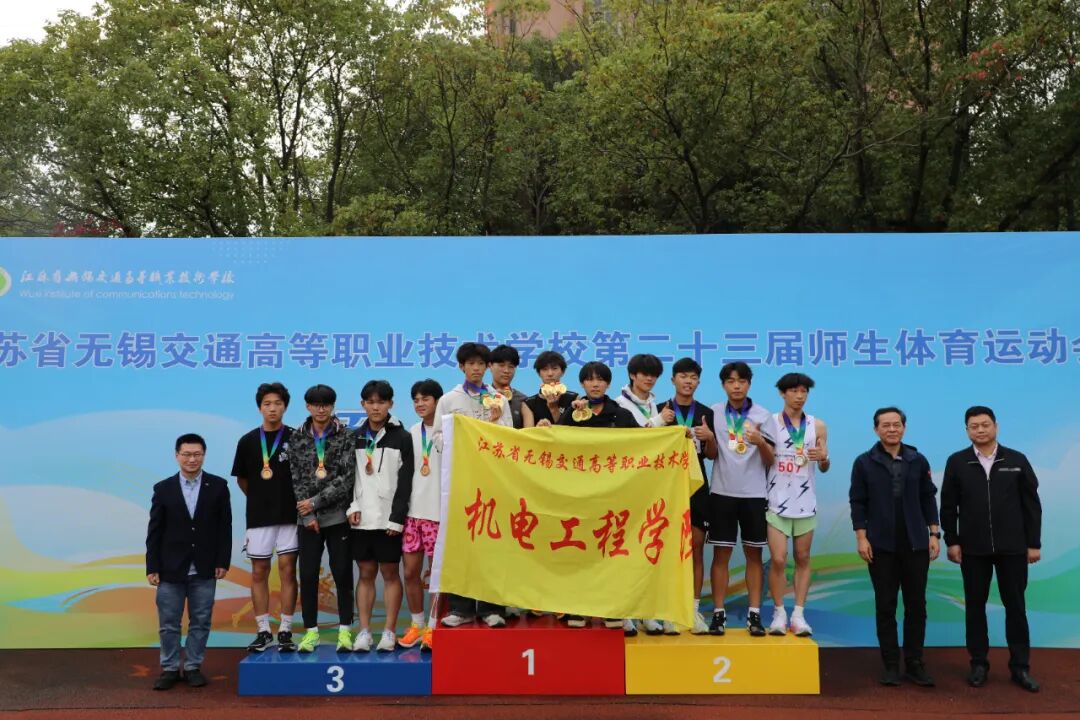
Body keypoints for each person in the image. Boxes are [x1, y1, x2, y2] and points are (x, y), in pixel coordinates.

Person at [940, 406, 1042, 693]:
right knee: (974, 607)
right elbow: (948, 505)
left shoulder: (1016, 460)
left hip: (1013, 548)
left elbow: (1032, 505)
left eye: (985, 424)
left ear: (995, 426)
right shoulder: (957, 462)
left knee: (1016, 607)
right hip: (973, 549)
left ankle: (1020, 667)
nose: (980, 430)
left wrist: (1033, 543)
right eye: (974, 426)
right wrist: (952, 541)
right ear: (967, 430)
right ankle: (978, 664)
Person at [849, 407, 939, 687]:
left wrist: (934, 533)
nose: (892, 429)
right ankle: (890, 665)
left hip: (915, 544)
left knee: (916, 606)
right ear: (876, 429)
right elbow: (858, 502)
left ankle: (914, 663)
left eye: (896, 424)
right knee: (885, 605)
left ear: (904, 428)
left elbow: (928, 498)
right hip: (880, 545)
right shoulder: (864, 462)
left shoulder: (917, 460)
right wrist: (861, 537)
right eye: (886, 425)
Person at [551, 360, 637, 634]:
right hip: (579, 495)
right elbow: (556, 443)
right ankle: (578, 607)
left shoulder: (621, 415)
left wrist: (676, 435)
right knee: (579, 553)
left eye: (600, 379)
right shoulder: (572, 412)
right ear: (582, 384)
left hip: (613, 495)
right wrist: (561, 417)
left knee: (610, 554)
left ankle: (612, 609)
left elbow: (644, 444)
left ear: (608, 384)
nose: (595, 384)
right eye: (589, 379)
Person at [434, 342, 513, 628]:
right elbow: (437, 439)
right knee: (461, 546)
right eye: (471, 364)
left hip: (491, 482)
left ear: (487, 367)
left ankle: (492, 608)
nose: (476, 369)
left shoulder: (498, 399)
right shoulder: (448, 400)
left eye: (481, 364)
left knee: (492, 544)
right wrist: (459, 434)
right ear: (461, 367)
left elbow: (510, 439)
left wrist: (495, 422)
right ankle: (461, 608)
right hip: (461, 482)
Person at [145, 434, 232, 690]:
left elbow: (224, 527)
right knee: (169, 623)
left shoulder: (218, 486)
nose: (192, 459)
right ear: (177, 456)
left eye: (197, 454)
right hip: (170, 568)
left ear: (203, 455)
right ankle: (170, 668)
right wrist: (152, 566)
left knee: (201, 620)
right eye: (186, 454)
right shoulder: (163, 489)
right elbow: (154, 531)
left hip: (205, 567)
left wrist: (222, 560)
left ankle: (193, 666)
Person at [704, 361, 774, 637]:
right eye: (731, 381)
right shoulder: (713, 412)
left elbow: (770, 460)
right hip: (721, 493)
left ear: (749, 384)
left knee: (754, 554)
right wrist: (710, 438)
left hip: (754, 495)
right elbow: (711, 455)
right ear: (723, 385)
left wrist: (761, 442)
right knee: (721, 554)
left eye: (741, 381)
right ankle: (718, 614)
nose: (736, 386)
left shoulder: (763, 415)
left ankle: (754, 614)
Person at [289, 384, 357, 653]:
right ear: (307, 406)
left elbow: (346, 477)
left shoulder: (346, 435)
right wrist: (307, 514)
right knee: (307, 575)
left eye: (326, 404)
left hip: (337, 516)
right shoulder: (297, 437)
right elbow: (296, 478)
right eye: (316, 404)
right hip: (308, 520)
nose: (321, 409)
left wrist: (316, 502)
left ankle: (345, 631)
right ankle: (311, 633)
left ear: (333, 406)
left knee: (342, 573)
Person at [231, 382, 299, 653]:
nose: (273, 408)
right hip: (259, 518)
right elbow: (242, 479)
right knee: (259, 571)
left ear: (285, 407)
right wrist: (261, 498)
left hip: (290, 516)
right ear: (259, 407)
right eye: (267, 404)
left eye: (278, 403)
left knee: (287, 570)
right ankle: (263, 630)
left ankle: (285, 629)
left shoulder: (296, 438)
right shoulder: (247, 441)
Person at [347, 380, 414, 652]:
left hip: (389, 520)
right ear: (363, 404)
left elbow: (406, 482)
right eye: (371, 402)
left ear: (390, 404)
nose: (376, 407)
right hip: (360, 519)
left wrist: (397, 518)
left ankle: (388, 632)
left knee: (390, 572)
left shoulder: (403, 437)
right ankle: (364, 632)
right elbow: (347, 477)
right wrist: (352, 507)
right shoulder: (354, 437)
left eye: (381, 402)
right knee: (365, 573)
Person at [765, 372, 830, 637]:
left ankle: (799, 614)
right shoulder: (769, 422)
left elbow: (824, 466)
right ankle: (779, 612)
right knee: (778, 559)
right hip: (776, 500)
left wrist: (824, 458)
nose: (799, 396)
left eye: (804, 391)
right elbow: (762, 459)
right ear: (782, 393)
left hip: (805, 502)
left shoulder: (818, 425)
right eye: (794, 391)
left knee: (802, 557)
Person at [656, 357, 716, 635]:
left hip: (697, 483)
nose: (688, 381)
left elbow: (713, 455)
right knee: (667, 547)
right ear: (673, 380)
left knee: (696, 546)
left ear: (698, 382)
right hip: (666, 485)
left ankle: (693, 610)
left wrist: (709, 437)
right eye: (683, 376)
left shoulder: (705, 413)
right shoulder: (661, 410)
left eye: (693, 377)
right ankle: (667, 610)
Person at [399, 379, 444, 651]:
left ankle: (434, 627)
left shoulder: (448, 432)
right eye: (416, 399)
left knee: (437, 577)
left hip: (438, 514)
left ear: (438, 401)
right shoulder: (410, 433)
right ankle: (416, 624)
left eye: (425, 399)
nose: (420, 404)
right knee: (410, 572)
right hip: (413, 514)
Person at [615, 353, 673, 429]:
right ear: (632, 375)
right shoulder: (619, 403)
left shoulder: (652, 404)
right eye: (645, 374)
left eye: (653, 375)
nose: (649, 378)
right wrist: (659, 420)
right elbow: (631, 434)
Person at [522, 350, 578, 428]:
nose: (550, 373)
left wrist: (553, 408)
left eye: (554, 368)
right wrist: (537, 429)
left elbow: (576, 430)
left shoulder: (574, 399)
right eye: (545, 369)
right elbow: (527, 433)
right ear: (539, 373)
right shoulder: (529, 404)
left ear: (563, 372)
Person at [489, 344, 528, 429]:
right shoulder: (482, 397)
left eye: (511, 367)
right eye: (501, 365)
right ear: (490, 366)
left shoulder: (523, 400)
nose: (506, 371)